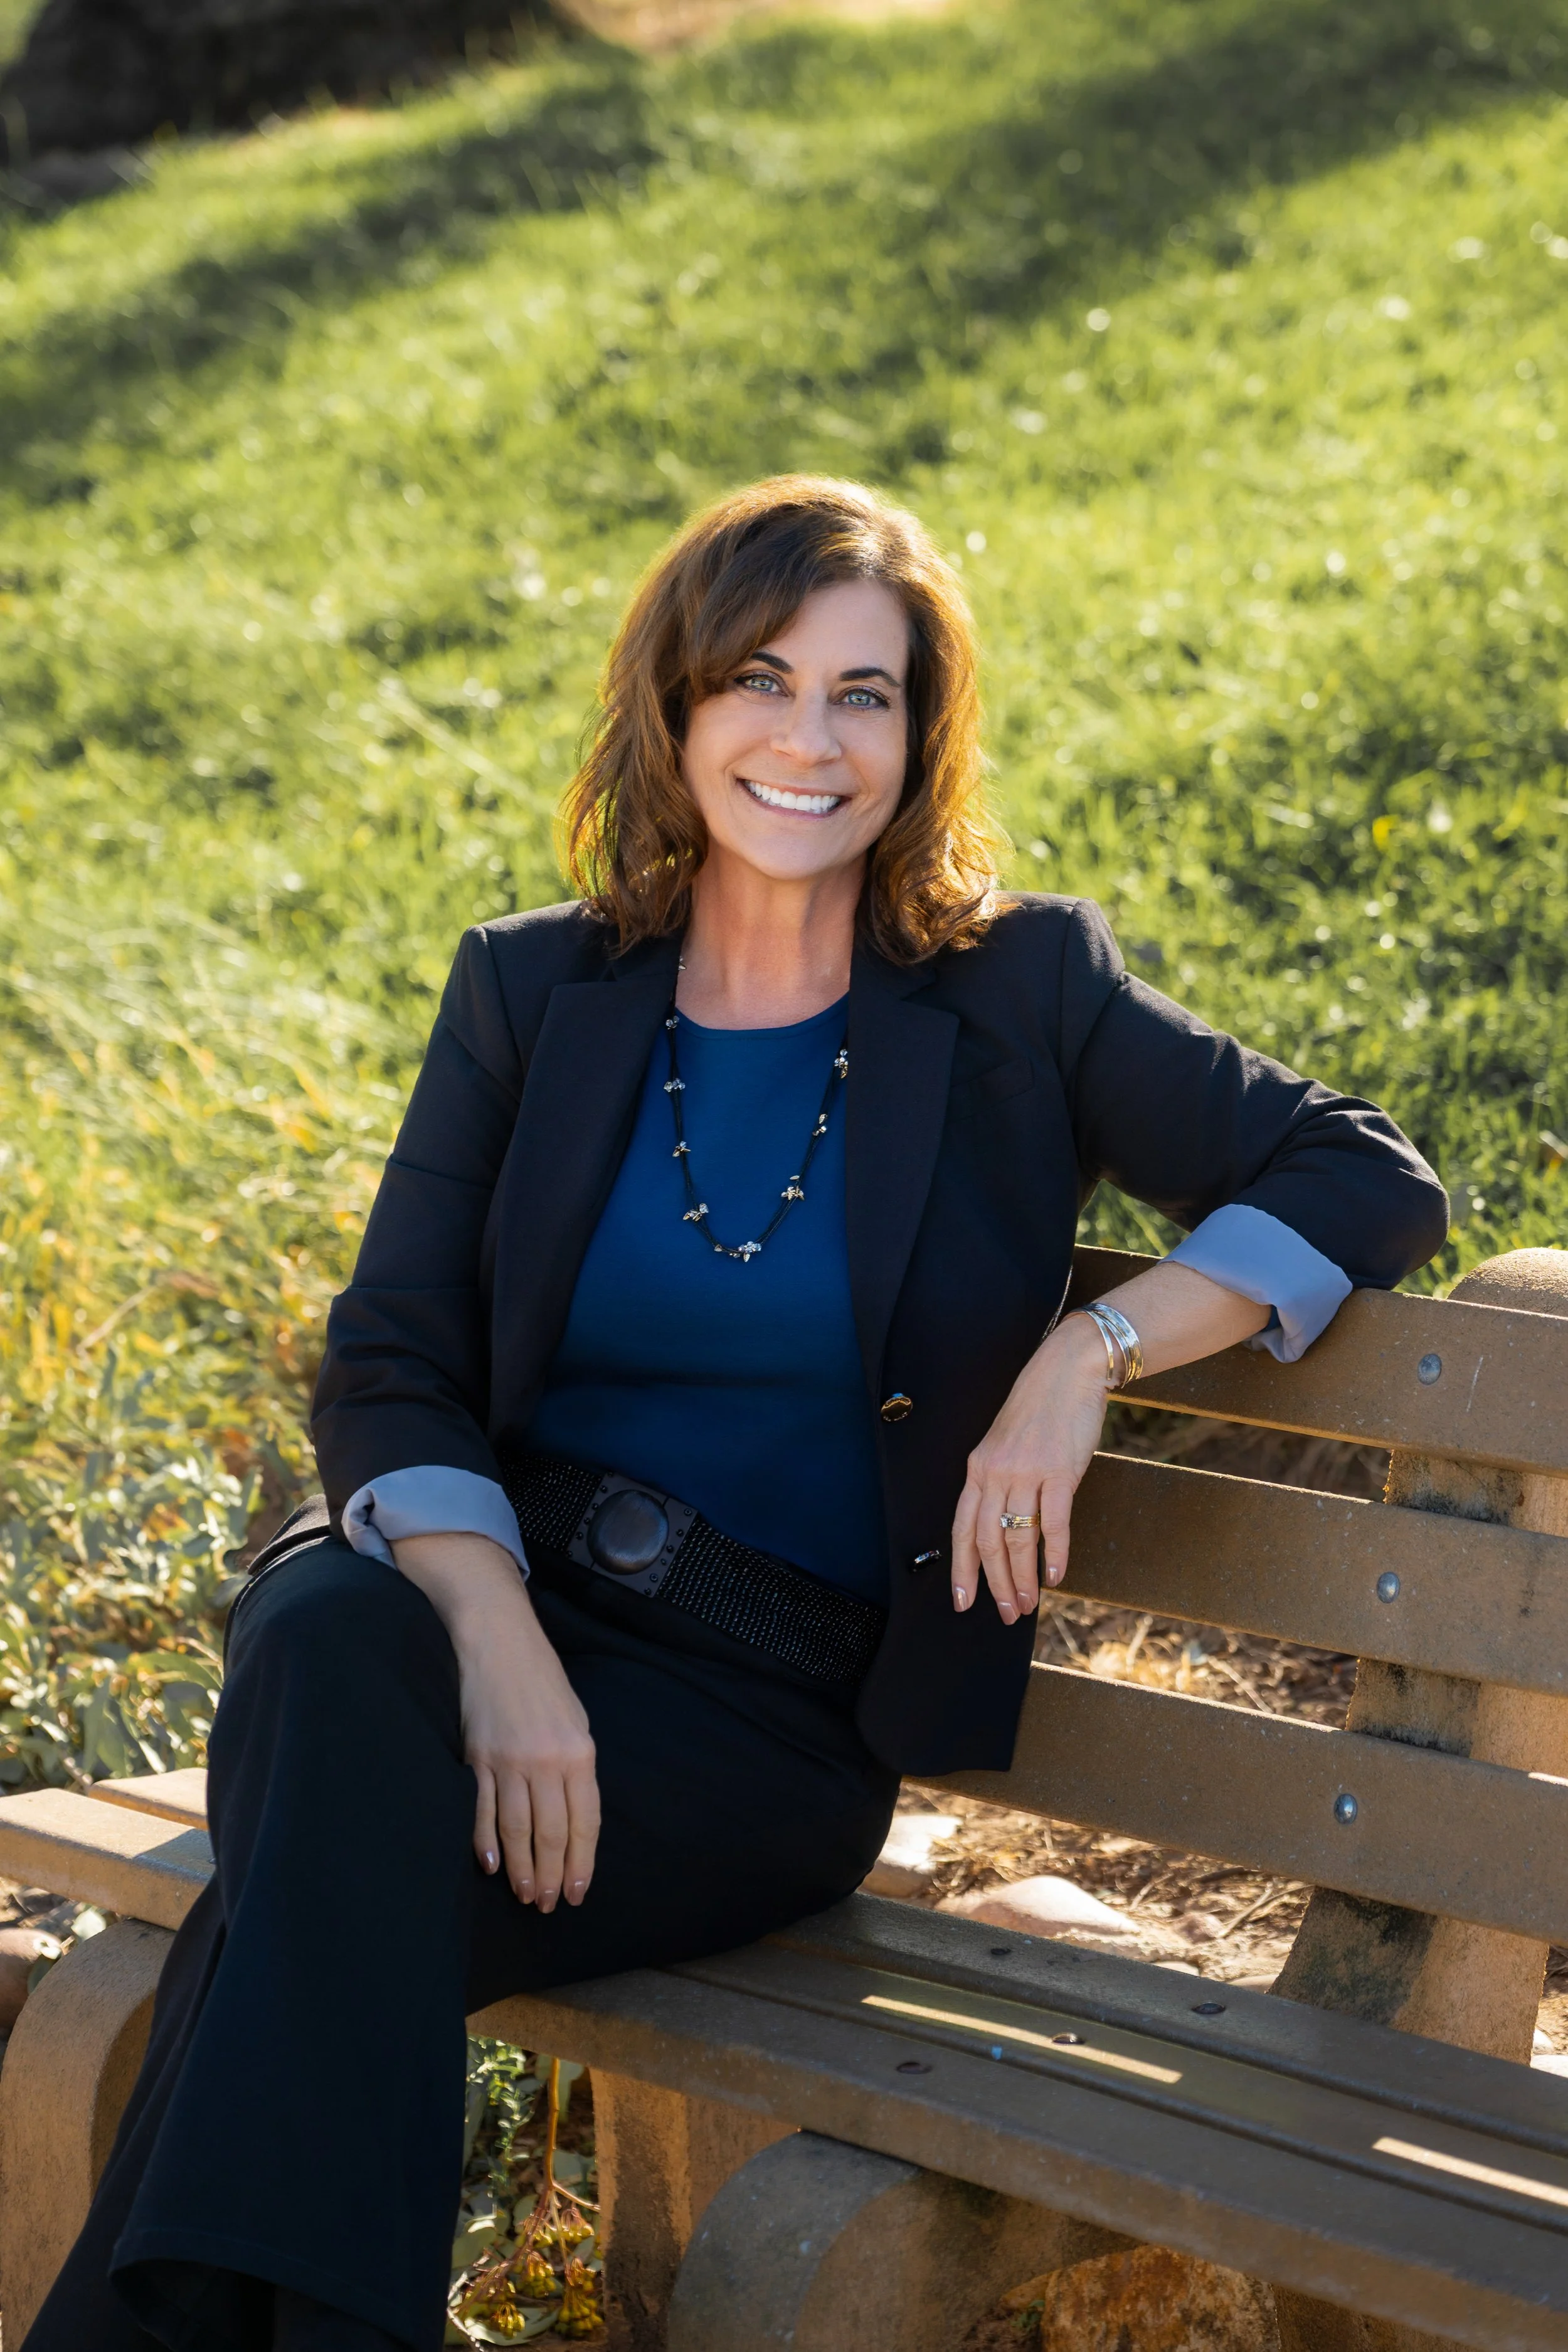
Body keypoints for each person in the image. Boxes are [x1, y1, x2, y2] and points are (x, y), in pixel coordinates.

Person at [28, 475, 1449, 2351]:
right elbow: (389, 1355)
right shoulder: (537, 990)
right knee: (329, 1633)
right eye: (760, 680)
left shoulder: (1020, 991)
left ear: (917, 739)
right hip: (482, 1650)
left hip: (760, 1730)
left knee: (297, 1897)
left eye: (865, 694)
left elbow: (1362, 1172)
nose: (808, 736)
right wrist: (503, 1636)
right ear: (677, 709)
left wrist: (1077, 1362)